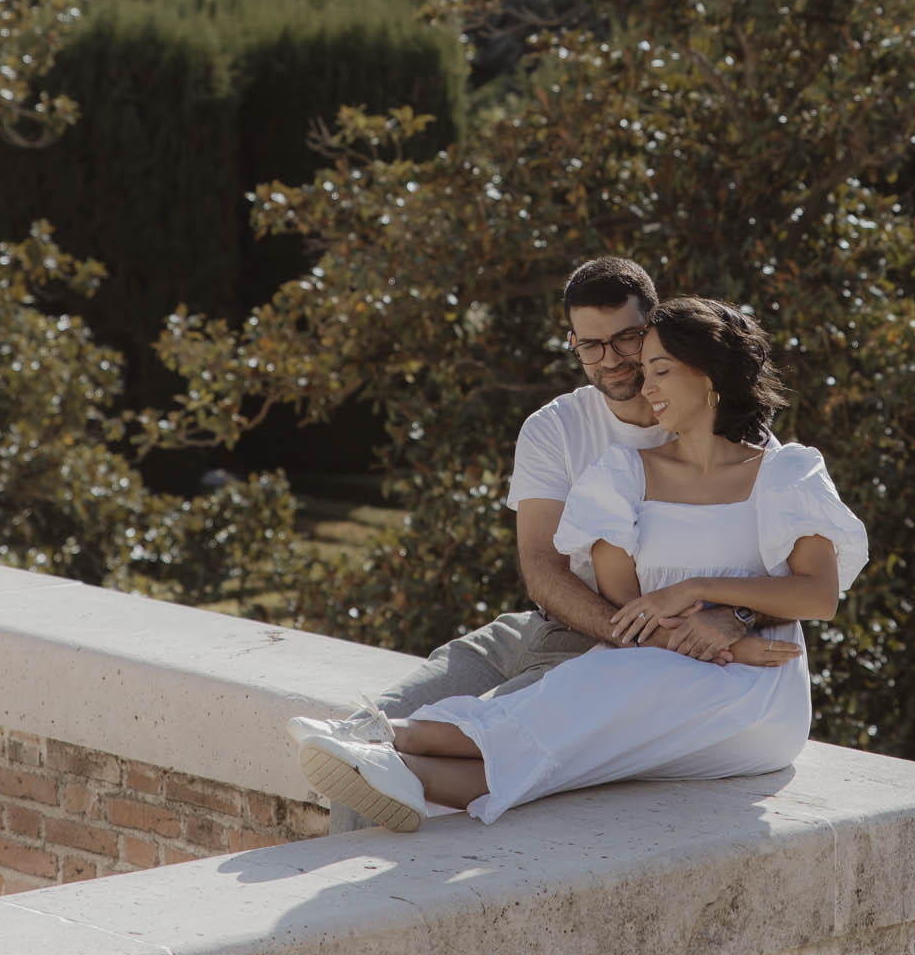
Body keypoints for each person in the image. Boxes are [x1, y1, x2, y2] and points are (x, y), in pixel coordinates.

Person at [296, 298, 867, 831]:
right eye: (644, 371)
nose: (646, 387)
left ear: (710, 376)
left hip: (758, 697)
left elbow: (818, 595)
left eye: (660, 370)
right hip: (652, 660)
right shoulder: (621, 476)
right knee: (591, 717)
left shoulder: (786, 472)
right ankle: (408, 774)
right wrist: (720, 640)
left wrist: (701, 595)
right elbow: (623, 611)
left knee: (607, 692)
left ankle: (389, 734)